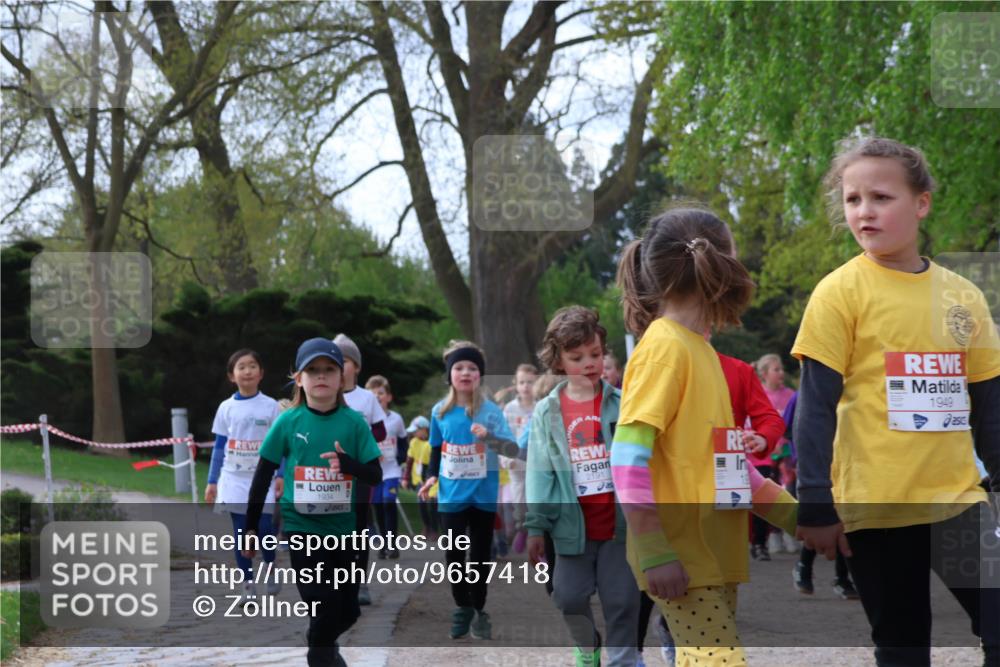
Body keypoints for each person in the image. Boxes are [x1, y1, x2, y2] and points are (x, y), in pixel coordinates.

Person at [794, 137, 1000, 667]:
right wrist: (815, 501)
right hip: (876, 507)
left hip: (957, 501)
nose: (864, 211)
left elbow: (988, 403)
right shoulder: (838, 293)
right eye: (853, 200)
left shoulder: (964, 295)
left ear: (921, 203)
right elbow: (815, 408)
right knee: (904, 645)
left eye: (881, 197)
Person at [610, 206, 756, 667]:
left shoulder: (701, 351)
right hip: (681, 556)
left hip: (713, 552)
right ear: (722, 263)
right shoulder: (665, 349)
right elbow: (626, 460)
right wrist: (654, 550)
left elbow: (726, 462)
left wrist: (798, 516)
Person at [243, 338, 382, 667]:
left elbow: (375, 475)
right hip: (302, 527)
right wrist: (250, 527)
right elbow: (262, 476)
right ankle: (321, 652)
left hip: (345, 531)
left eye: (329, 370)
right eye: (312, 370)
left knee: (347, 611)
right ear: (299, 378)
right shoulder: (288, 421)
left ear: (341, 378)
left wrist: (349, 466)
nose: (321, 376)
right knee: (319, 603)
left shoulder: (354, 423)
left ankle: (321, 643)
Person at [525, 306, 639, 667]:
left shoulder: (624, 404)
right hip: (571, 527)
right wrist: (535, 525)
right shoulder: (547, 411)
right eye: (577, 357)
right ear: (558, 361)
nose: (590, 363)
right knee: (568, 597)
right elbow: (539, 471)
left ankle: (622, 659)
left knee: (622, 599)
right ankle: (587, 646)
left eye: (596, 354)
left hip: (619, 524)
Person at [418, 340, 519, 641]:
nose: (465, 372)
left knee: (479, 557)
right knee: (453, 554)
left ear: (480, 375)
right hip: (450, 496)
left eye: (472, 368)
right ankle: (462, 607)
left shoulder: (491, 412)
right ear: (449, 375)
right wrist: (430, 478)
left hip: (484, 496)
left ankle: (480, 609)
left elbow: (511, 448)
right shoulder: (440, 411)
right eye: (459, 367)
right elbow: (436, 449)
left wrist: (489, 437)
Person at [204, 348, 281, 601]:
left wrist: (280, 474)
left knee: (264, 528)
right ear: (231, 376)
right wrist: (212, 481)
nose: (247, 371)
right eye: (241, 367)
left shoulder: (272, 407)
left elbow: (281, 446)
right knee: (240, 533)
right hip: (234, 480)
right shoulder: (226, 408)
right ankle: (247, 585)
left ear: (261, 373)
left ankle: (270, 567)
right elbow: (218, 447)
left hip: (264, 480)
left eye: (252, 366)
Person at [332, 333, 387, 606]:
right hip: (332, 473)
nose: (340, 367)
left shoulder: (367, 398)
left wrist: (360, 437)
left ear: (356, 366)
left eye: (345, 361)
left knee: (359, 527)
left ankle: (359, 581)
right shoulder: (325, 395)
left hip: (361, 471)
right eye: (335, 361)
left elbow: (380, 429)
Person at [750, 352, 796, 560]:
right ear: (764, 373)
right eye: (776, 369)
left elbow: (795, 423)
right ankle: (762, 541)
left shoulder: (790, 395)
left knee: (789, 493)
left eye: (782, 369)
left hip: (787, 454)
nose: (781, 373)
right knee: (763, 494)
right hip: (762, 455)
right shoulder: (758, 394)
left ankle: (787, 532)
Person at [364, 375, 408, 559]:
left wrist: (399, 458)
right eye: (373, 394)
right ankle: (383, 543)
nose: (377, 396)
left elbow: (404, 441)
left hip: (391, 470)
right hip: (374, 471)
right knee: (378, 506)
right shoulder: (364, 420)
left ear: (388, 396)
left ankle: (392, 543)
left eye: (380, 393)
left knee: (388, 502)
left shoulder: (396, 419)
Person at [503, 363, 538, 553]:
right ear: (515, 384)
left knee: (537, 500)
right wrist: (505, 458)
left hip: (537, 461)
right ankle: (522, 528)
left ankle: (537, 535)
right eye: (522, 382)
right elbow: (503, 434)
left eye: (530, 382)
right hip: (516, 461)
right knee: (520, 500)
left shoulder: (542, 406)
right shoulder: (509, 409)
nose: (526, 386)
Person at [402, 416, 439, 537]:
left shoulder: (432, 443)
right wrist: (406, 478)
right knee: (421, 504)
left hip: (432, 479)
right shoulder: (414, 442)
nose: (414, 432)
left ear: (424, 429)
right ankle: (426, 526)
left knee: (433, 504)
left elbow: (430, 464)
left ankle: (434, 529)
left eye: (416, 430)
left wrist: (427, 480)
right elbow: (409, 461)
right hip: (419, 479)